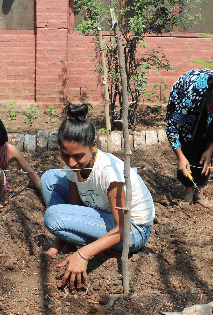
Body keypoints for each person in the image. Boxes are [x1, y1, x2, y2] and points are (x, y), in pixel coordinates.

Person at [41, 104, 155, 290]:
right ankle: (72, 247)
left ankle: (99, 248)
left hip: (133, 230)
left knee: (54, 217)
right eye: (64, 155)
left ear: (94, 145)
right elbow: (75, 209)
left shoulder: (110, 174)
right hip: (102, 212)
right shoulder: (74, 166)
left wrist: (84, 254)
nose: (70, 163)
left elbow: (123, 229)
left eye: (78, 156)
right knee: (49, 179)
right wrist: (56, 248)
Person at [165, 68, 213, 207]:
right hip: (184, 94)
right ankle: (188, 190)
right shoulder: (191, 98)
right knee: (188, 137)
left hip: (210, 99)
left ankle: (199, 192)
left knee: (205, 148)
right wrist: (181, 157)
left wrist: (210, 150)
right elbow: (172, 127)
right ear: (208, 102)